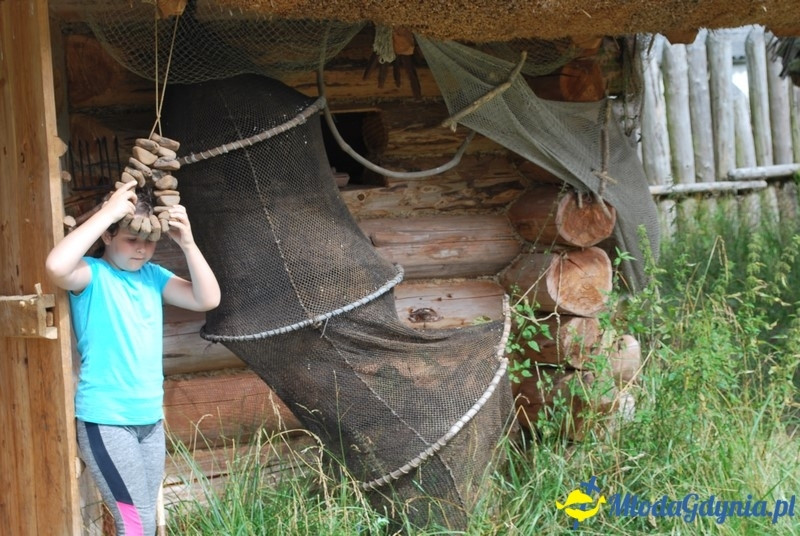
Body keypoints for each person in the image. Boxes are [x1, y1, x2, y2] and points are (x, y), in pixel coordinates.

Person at [46, 180, 221, 535]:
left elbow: (207, 299)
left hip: (149, 421)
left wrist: (187, 243)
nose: (141, 250)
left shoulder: (153, 277)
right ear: (109, 236)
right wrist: (108, 212)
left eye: (149, 242)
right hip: (107, 421)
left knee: (143, 521)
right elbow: (56, 266)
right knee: (135, 524)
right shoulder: (92, 275)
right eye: (131, 239)